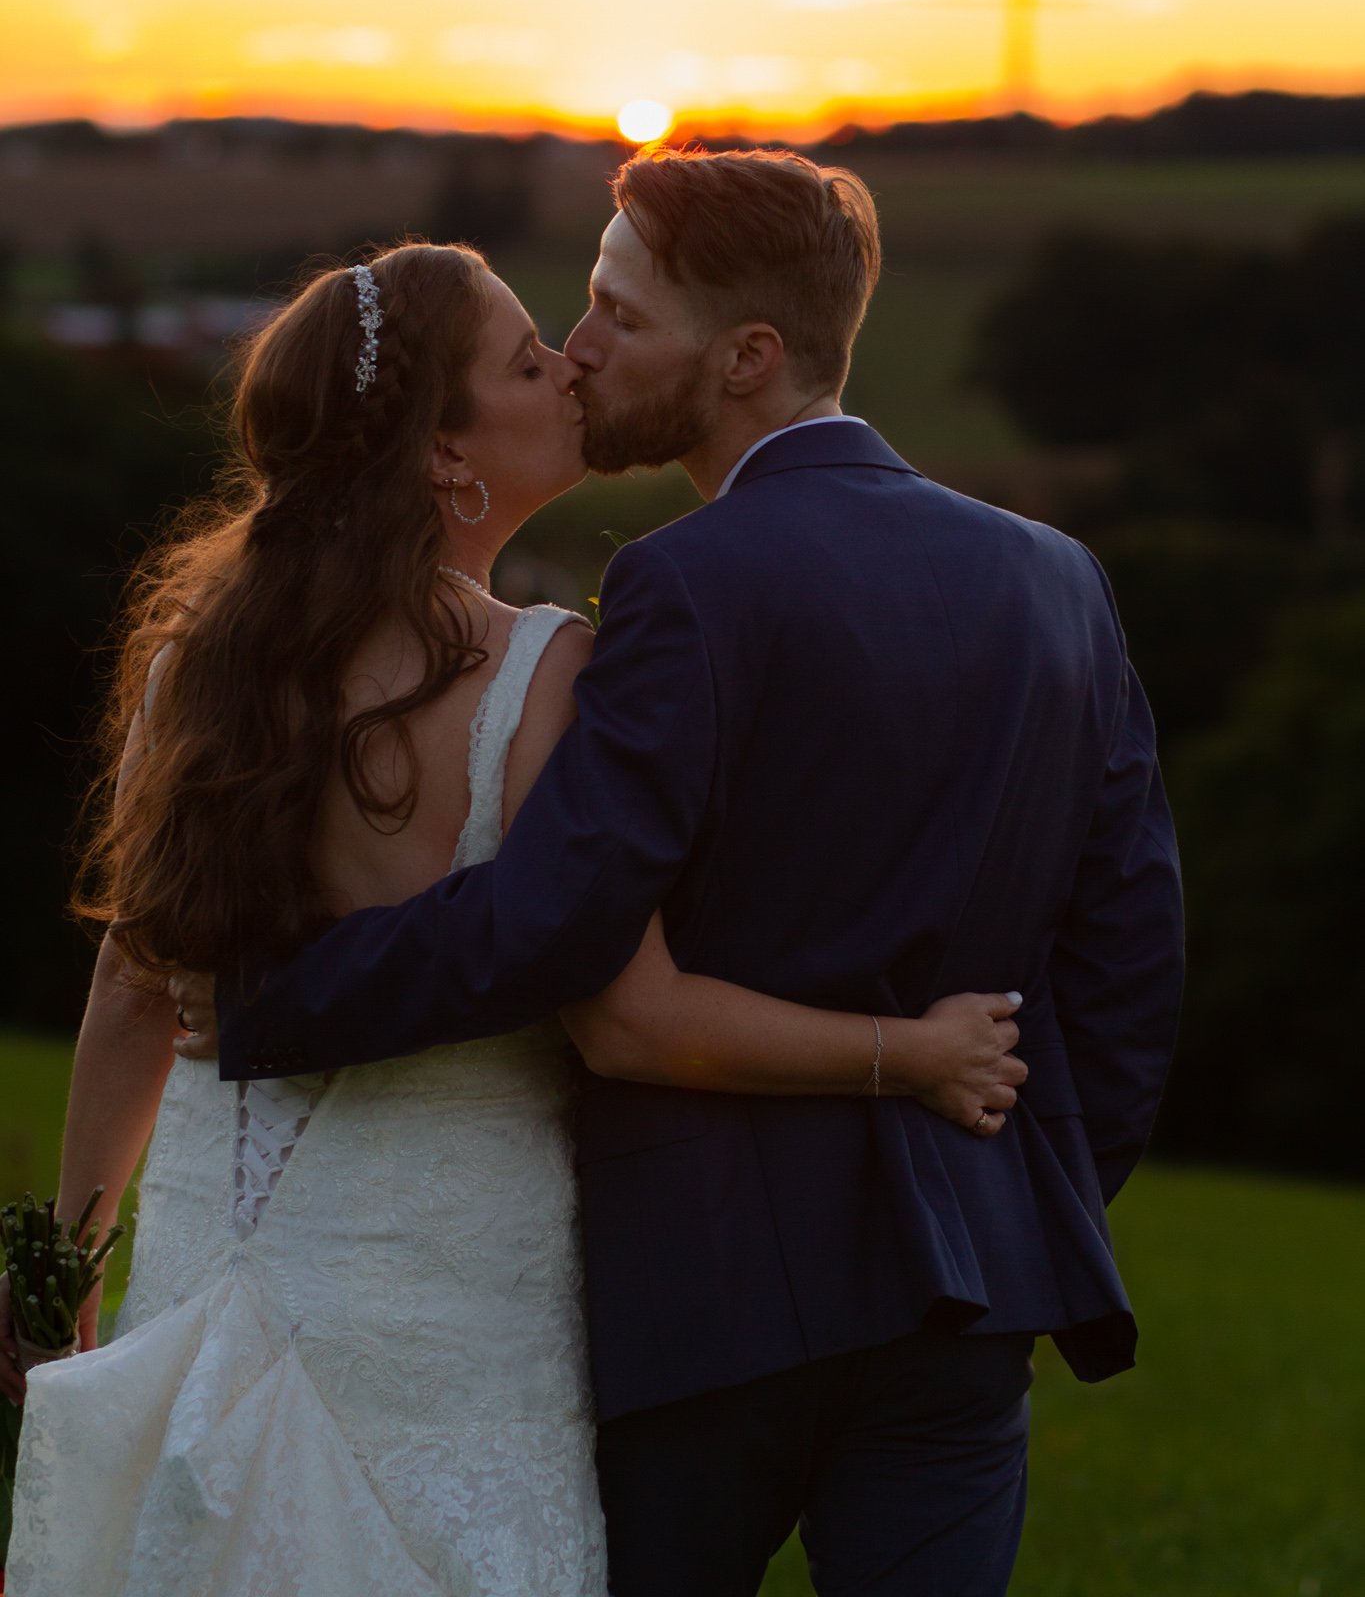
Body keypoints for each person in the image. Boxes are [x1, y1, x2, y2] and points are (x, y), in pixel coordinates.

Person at [198, 148, 1184, 1597]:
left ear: (747, 357)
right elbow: (1129, 958)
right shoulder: (1057, 578)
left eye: (617, 314)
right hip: (970, 1303)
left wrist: (273, 996)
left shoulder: (687, 582)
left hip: (711, 1294)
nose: (577, 347)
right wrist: (1026, 1201)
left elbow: (559, 918)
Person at [1, 235, 1026, 1597]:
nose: (571, 368)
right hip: (446, 1291)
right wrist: (910, 1052)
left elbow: (134, 990)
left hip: (208, 1233)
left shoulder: (197, 666)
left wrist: (65, 1263)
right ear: (443, 453)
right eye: (527, 360)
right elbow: (632, 1017)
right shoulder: (549, 676)